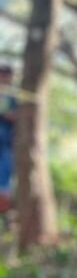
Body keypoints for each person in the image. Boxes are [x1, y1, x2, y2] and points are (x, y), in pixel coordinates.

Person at [0, 63, 17, 218]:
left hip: (6, 143)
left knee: (4, 182)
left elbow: (16, 116)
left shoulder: (14, 95)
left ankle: (6, 216)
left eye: (7, 75)